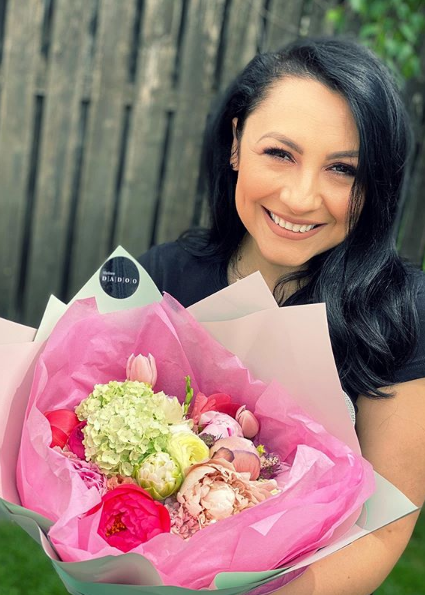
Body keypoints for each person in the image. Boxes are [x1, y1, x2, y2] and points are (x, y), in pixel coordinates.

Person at [139, 37, 425, 594]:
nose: (300, 197)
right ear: (236, 143)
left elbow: (382, 529)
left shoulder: (401, 315)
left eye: (342, 169)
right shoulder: (164, 277)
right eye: (280, 153)